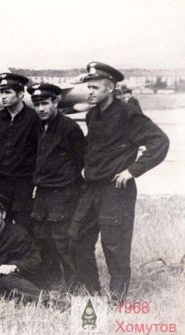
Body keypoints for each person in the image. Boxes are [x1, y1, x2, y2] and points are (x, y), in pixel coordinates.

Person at [70, 62, 169, 301]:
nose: (89, 92)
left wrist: (132, 171)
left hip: (117, 189)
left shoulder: (127, 114)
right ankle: (91, 291)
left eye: (94, 87)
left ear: (110, 87)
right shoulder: (93, 114)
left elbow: (159, 141)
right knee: (77, 237)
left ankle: (117, 299)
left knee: (114, 246)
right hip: (92, 188)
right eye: (88, 87)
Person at [27, 83, 85, 286]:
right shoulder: (39, 126)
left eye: (45, 103)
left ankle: (73, 285)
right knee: (42, 236)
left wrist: (67, 185)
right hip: (42, 192)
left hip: (63, 192)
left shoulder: (69, 128)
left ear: (56, 102)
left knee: (63, 241)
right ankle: (52, 280)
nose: (41, 109)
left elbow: (80, 162)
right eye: (36, 105)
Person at [0, 73, 40, 234]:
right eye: (2, 92)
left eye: (8, 92)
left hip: (24, 184)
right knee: (0, 227)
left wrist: (36, 183)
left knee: (25, 227)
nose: (3, 97)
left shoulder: (34, 119)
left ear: (21, 94)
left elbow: (40, 153)